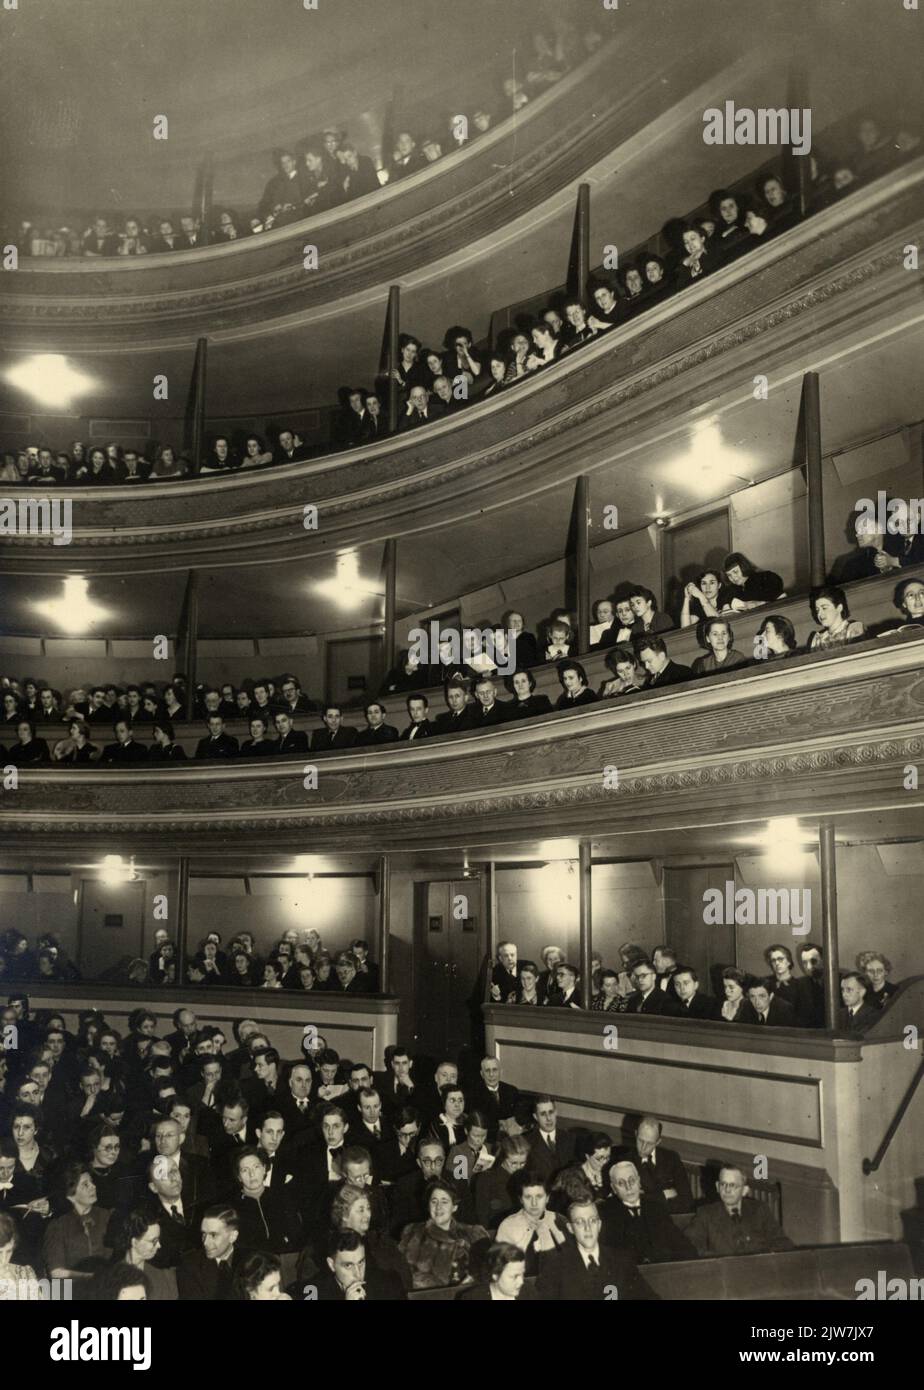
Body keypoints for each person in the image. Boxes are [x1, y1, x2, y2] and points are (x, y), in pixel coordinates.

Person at [536, 1198, 656, 1300]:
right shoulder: (555, 1266)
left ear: (599, 1225)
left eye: (592, 1221)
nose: (587, 1228)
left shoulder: (621, 1260)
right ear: (570, 1228)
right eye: (580, 1222)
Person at [398, 1178, 489, 1290]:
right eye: (434, 1201)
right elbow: (399, 1274)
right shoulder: (412, 1232)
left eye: (444, 1202)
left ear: (454, 1207)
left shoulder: (474, 1234)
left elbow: (486, 1276)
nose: (438, 1207)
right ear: (428, 1206)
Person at [601, 1160, 697, 1264]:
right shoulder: (606, 1213)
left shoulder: (656, 1208)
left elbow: (683, 1245)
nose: (628, 1187)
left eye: (632, 1180)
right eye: (621, 1183)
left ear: (639, 1181)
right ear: (614, 1188)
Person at [686, 1165, 794, 1256]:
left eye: (733, 1185)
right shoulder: (706, 1214)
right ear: (717, 1187)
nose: (727, 1190)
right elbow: (690, 1246)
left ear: (744, 1190)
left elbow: (783, 1242)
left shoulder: (759, 1210)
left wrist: (766, 1256)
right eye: (723, 1184)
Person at [622, 1117, 694, 1213]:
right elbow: (630, 1204)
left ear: (658, 1142)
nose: (643, 1147)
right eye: (640, 1140)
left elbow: (687, 1201)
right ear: (635, 1134)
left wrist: (649, 1198)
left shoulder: (672, 1158)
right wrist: (664, 1195)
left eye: (649, 1143)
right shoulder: (625, 1161)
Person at [108, 1209, 177, 1299]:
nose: (159, 1245)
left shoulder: (164, 1275)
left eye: (158, 1240)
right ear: (134, 1242)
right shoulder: (111, 1278)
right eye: (153, 1241)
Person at [176, 1207, 242, 1301]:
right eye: (204, 1234)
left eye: (213, 1235)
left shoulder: (252, 1260)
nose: (205, 1242)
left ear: (233, 1236)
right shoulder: (190, 1265)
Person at [456, 1241, 534, 1300]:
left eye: (522, 1274)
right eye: (514, 1276)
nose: (521, 1282)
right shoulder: (473, 1298)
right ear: (495, 1275)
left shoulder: (528, 1292)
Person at [807, 585, 866, 650]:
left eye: (824, 608)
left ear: (839, 608)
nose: (819, 614)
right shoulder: (817, 639)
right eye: (817, 610)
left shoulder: (853, 629)